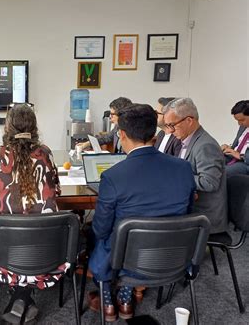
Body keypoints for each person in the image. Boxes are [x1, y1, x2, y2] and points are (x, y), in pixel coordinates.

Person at [87, 104, 196, 322]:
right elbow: (188, 214)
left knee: (99, 237)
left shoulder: (113, 176)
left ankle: (109, 303)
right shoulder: (183, 168)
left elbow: (101, 228)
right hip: (171, 255)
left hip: (125, 258)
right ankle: (126, 300)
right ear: (154, 133)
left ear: (123, 134)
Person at [0, 103, 61, 324]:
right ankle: (24, 295)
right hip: (47, 248)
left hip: (3, 249)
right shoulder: (45, 154)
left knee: (6, 234)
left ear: (7, 127)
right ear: (34, 127)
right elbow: (57, 191)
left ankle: (19, 293)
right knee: (30, 235)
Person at [164, 98, 228, 233]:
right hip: (189, 204)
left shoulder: (205, 145)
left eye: (172, 125)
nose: (169, 131)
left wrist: (177, 176)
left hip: (204, 214)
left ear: (189, 120)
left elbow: (209, 182)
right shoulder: (187, 140)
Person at [221, 100, 249, 177]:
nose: (239, 124)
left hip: (245, 162)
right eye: (237, 120)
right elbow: (240, 143)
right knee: (210, 161)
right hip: (232, 156)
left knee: (220, 173)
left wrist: (241, 156)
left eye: (242, 120)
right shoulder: (243, 127)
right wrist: (228, 147)